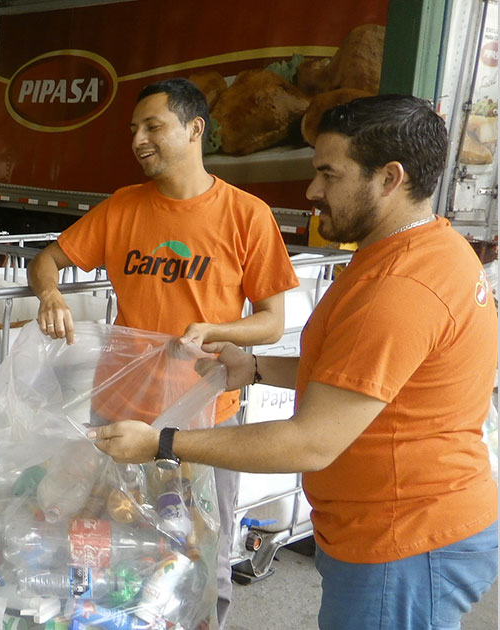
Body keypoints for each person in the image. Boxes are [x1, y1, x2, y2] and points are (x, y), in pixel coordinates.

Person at [92, 94, 499, 629]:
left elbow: (310, 442)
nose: (312, 191)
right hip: (391, 530)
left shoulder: (401, 286)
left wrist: (161, 442)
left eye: (329, 174)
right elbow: (358, 375)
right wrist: (256, 368)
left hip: (403, 541)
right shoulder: (418, 250)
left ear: (389, 178)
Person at [28, 77, 301, 625]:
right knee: (116, 540)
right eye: (134, 129)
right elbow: (47, 260)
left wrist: (218, 329)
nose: (138, 140)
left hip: (204, 417)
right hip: (119, 409)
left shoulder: (246, 215)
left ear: (195, 129)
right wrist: (50, 294)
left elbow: (272, 323)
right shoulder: (122, 208)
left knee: (202, 551)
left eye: (153, 127)